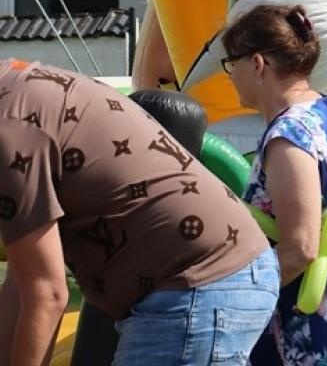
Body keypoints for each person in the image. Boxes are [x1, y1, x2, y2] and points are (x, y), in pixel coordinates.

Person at [0, 58, 279, 366]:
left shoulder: (9, 131)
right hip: (219, 275)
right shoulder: (21, 89)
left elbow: (47, 296)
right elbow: (21, 283)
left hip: (196, 285)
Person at [221, 3, 327, 366]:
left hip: (307, 332)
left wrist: (234, 294)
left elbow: (300, 248)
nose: (230, 76)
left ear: (258, 64)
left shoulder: (288, 137)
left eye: (232, 64)